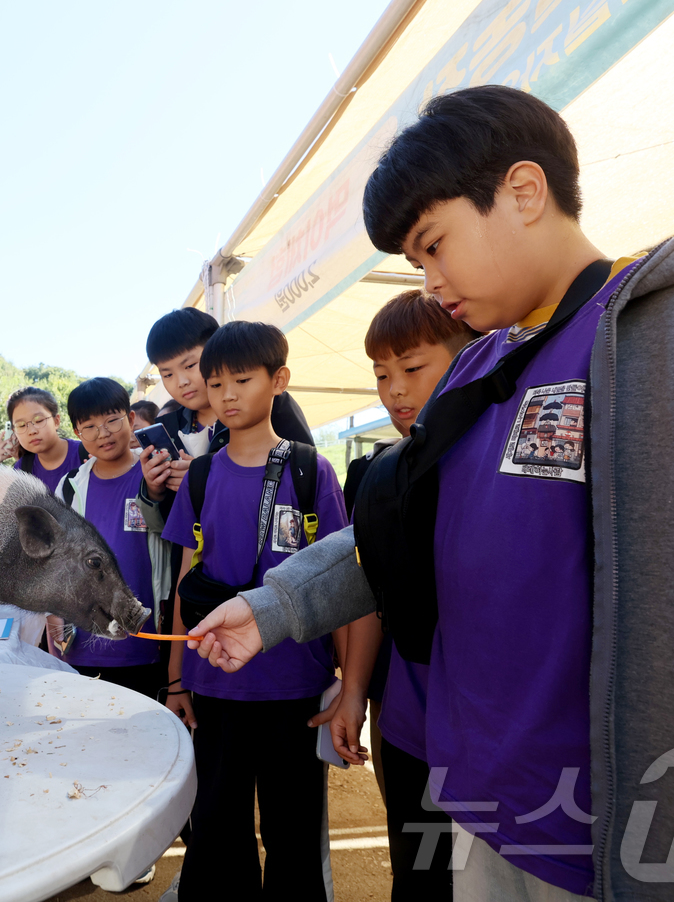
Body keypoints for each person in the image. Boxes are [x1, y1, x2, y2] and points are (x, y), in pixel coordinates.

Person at [185, 85, 674, 901]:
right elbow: (396, 537)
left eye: (436, 245)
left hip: (636, 849)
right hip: (479, 807)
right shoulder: (476, 372)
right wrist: (272, 609)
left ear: (523, 190)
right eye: (417, 261)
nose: (432, 283)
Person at [160, 320, 351, 901]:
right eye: (215, 383)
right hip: (213, 681)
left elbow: (342, 581)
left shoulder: (310, 470)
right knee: (216, 829)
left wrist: (349, 684)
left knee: (293, 833)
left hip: (295, 686)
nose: (227, 395)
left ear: (279, 380)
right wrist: (176, 679)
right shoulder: (198, 477)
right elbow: (186, 584)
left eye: (242, 379)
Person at [335, 289, 477, 901]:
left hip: (487, 718)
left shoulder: (506, 460)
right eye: (381, 374)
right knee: (418, 870)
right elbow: (368, 589)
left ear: (471, 352)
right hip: (405, 713)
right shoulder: (373, 474)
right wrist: (354, 694)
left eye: (413, 368)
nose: (394, 390)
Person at [48, 379, 172, 695]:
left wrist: (157, 491)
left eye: (111, 421)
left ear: (130, 420)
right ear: (77, 433)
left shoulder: (154, 473)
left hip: (148, 647)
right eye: (89, 426)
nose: (102, 433)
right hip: (83, 649)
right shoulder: (69, 486)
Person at [142, 308, 314, 499]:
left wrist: (204, 480)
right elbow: (163, 518)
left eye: (190, 366)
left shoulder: (271, 404)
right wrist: (153, 490)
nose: (181, 381)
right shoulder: (167, 428)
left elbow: (306, 476)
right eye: (167, 374)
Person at [0, 386, 84, 495]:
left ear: (56, 421)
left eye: (39, 421)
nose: (31, 431)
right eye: (21, 425)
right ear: (14, 431)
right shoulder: (21, 470)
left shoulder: (87, 456)